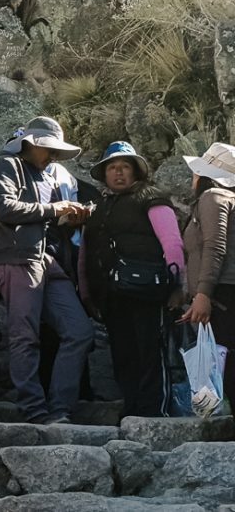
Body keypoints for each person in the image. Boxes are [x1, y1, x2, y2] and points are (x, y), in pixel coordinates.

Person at [0, 116, 92, 424]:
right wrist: (55, 209)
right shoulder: (4, 165)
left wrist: (69, 219)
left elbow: (41, 219)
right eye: (50, 150)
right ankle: (35, 412)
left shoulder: (48, 175)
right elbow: (3, 209)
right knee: (24, 336)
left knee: (80, 332)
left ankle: (60, 409)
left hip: (47, 259)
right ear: (30, 144)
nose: (54, 157)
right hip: (15, 258)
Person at [78, 141, 184, 418]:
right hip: (112, 297)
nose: (119, 173)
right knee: (123, 355)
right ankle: (132, 410)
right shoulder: (100, 207)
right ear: (104, 173)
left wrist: (178, 286)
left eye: (125, 166)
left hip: (150, 293)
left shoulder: (152, 198)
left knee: (151, 352)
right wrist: (88, 293)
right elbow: (86, 252)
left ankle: (154, 413)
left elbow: (172, 243)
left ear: (136, 171)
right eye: (112, 167)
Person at [180, 142, 235, 399]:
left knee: (229, 365)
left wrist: (203, 294)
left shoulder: (213, 197)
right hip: (223, 291)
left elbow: (215, 246)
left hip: (222, 294)